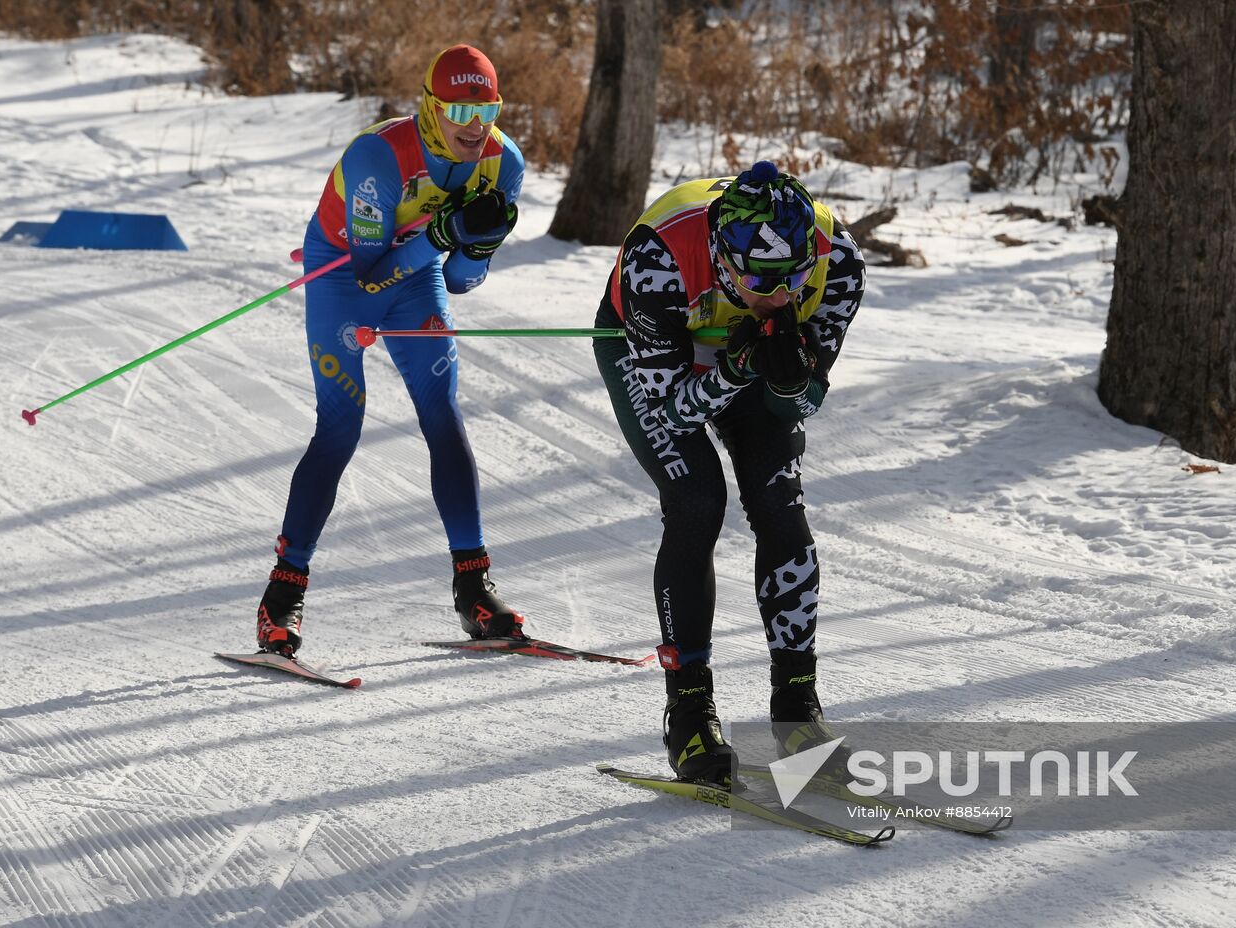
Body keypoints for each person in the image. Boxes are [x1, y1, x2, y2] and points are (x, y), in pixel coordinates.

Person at [593, 160, 865, 783]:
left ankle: (798, 714)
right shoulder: (657, 256)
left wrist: (793, 376)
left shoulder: (839, 261)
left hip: (736, 353)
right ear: (721, 254)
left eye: (793, 279)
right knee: (696, 502)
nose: (780, 297)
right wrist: (738, 368)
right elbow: (675, 411)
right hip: (653, 348)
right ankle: (688, 715)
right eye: (761, 281)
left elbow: (801, 404)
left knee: (779, 505)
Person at [255, 44, 528, 658]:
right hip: (343, 274)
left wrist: (476, 247)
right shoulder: (379, 158)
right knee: (341, 429)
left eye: (486, 109)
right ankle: (282, 593)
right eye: (458, 110)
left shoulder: (502, 162)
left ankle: (474, 588)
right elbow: (371, 274)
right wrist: (443, 233)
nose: (473, 126)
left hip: (418, 275)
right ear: (430, 108)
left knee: (444, 416)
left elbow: (458, 280)